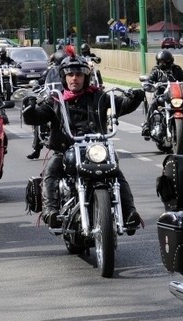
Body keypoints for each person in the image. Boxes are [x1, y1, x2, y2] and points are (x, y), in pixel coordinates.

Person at [22, 55, 145, 232]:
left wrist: (135, 97)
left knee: (116, 173)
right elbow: (37, 116)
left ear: (85, 77)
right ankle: (51, 211)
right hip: (66, 150)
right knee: (51, 171)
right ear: (64, 77)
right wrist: (29, 108)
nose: (74, 78)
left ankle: (129, 214)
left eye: (79, 75)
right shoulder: (56, 100)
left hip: (95, 149)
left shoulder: (99, 96)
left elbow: (121, 105)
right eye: (70, 74)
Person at [140, 50, 183, 138]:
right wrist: (148, 83)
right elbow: (150, 78)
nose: (162, 64)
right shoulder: (156, 70)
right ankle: (147, 125)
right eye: (160, 62)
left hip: (177, 94)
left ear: (170, 61)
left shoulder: (176, 69)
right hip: (161, 95)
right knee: (153, 104)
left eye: (165, 62)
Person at [25, 48, 68, 160]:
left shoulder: (70, 71)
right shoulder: (51, 71)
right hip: (53, 98)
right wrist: (36, 85)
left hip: (67, 99)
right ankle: (36, 148)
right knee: (40, 119)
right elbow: (42, 79)